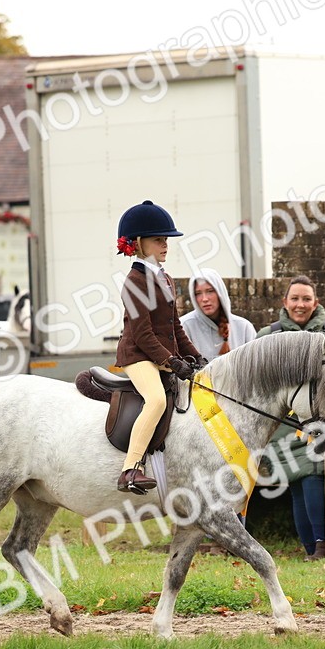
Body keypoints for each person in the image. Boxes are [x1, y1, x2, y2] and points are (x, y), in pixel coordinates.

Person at [256, 275, 325, 561]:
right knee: (298, 482)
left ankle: (319, 547)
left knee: (312, 475)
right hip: (284, 426)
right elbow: (258, 386)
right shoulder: (269, 336)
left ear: (316, 303)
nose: (300, 304)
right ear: (285, 302)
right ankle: (314, 548)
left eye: (306, 299)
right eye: (295, 299)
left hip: (324, 422)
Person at [113, 200, 205, 494]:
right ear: (139, 243)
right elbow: (142, 335)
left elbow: (175, 326)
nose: (165, 245)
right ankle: (130, 469)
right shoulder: (134, 282)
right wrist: (172, 362)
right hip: (138, 355)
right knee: (156, 400)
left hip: (160, 355)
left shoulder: (165, 278)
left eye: (166, 239)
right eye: (158, 240)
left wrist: (195, 355)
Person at [180, 268, 257, 361]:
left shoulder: (244, 327)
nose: (204, 299)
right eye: (198, 293)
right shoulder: (184, 327)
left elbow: (256, 364)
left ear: (220, 292)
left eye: (210, 291)